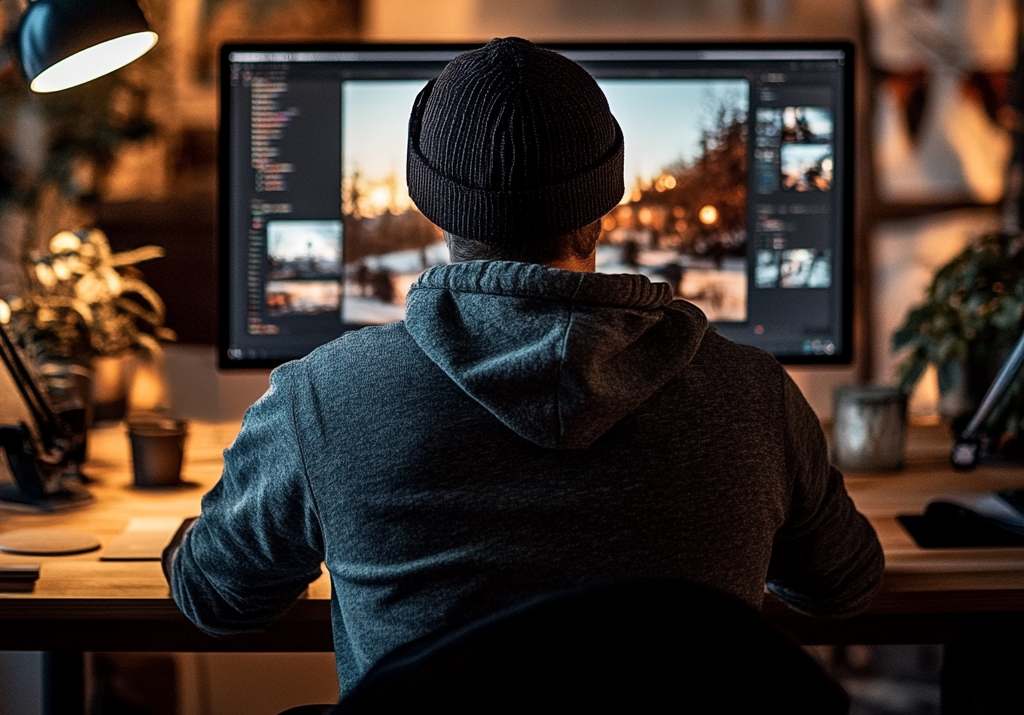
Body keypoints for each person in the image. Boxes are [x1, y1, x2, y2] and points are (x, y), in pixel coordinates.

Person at [166, 38, 883, 693]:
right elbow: (843, 586)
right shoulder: (754, 396)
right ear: (604, 200)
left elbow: (217, 598)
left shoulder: (322, 399)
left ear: (431, 203)